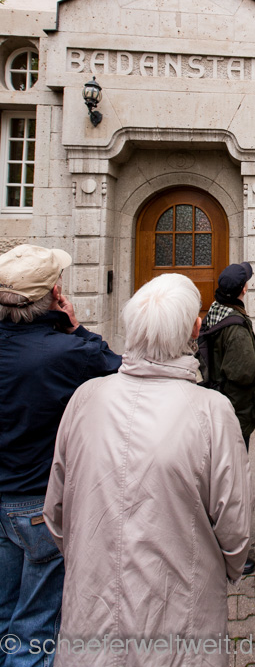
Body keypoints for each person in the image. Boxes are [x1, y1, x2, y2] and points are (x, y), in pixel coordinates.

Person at [44, 273, 253, 667]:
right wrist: (226, 568)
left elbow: (56, 511)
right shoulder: (212, 411)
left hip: (92, 619)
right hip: (180, 619)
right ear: (195, 329)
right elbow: (234, 523)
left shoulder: (86, 397)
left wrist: (89, 556)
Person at [0, 244, 121, 666]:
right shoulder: (67, 353)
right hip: (39, 504)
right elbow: (119, 370)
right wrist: (78, 330)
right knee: (37, 624)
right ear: (55, 293)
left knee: (4, 612)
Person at [202, 260, 255, 576]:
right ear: (242, 289)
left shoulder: (215, 312)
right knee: (232, 483)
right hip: (236, 412)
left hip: (220, 407)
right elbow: (244, 370)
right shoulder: (234, 325)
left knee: (219, 476)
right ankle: (233, 552)